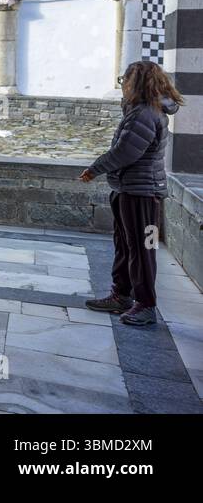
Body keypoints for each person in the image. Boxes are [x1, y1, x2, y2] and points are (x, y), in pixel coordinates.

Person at [82, 61, 184, 327]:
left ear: (135, 83)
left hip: (143, 194)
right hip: (129, 191)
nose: (122, 86)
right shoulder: (140, 111)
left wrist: (95, 169)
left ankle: (146, 304)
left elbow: (126, 152)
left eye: (124, 81)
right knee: (126, 246)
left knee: (143, 249)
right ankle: (122, 295)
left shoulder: (145, 114)